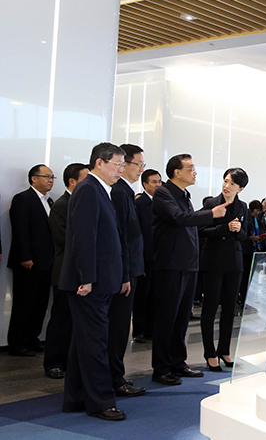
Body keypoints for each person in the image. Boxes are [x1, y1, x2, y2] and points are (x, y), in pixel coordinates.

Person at [59, 142, 127, 421]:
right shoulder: (88, 188)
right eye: (117, 164)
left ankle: (76, 397)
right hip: (90, 283)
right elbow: (83, 237)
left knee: (84, 342)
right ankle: (101, 402)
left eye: (123, 165)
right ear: (100, 162)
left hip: (102, 280)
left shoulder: (101, 190)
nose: (121, 170)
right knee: (96, 343)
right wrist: (86, 278)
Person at [151, 154, 228, 386]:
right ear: (177, 172)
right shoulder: (163, 193)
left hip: (188, 263)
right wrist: (211, 214)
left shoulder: (184, 195)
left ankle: (178, 362)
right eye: (191, 168)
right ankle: (161, 368)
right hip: (171, 264)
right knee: (167, 317)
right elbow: (178, 218)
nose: (195, 172)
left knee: (182, 317)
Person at [199, 168, 249, 371]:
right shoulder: (211, 203)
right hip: (213, 260)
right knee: (210, 308)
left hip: (234, 262)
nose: (227, 186)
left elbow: (245, 236)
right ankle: (210, 353)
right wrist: (224, 228)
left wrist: (239, 231)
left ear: (241, 188)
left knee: (230, 309)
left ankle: (224, 350)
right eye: (225, 181)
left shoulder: (243, 207)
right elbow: (201, 230)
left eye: (232, 183)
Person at [108, 144, 147, 397]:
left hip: (130, 268)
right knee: (118, 327)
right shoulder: (120, 192)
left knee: (121, 326)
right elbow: (121, 236)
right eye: (138, 164)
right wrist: (125, 274)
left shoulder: (125, 191)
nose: (141, 169)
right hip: (124, 271)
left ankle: (116, 376)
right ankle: (115, 378)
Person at [43, 163, 89, 379]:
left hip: (81, 270)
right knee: (61, 319)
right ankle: (53, 362)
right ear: (72, 181)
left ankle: (69, 361)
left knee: (75, 321)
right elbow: (66, 239)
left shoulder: (82, 202)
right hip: (65, 270)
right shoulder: (62, 205)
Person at [7, 164, 57, 357]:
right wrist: (25, 256)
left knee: (40, 304)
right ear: (34, 179)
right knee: (24, 303)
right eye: (47, 177)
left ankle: (32, 338)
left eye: (52, 177)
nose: (50, 180)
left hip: (46, 261)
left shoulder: (49, 201)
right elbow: (20, 230)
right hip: (28, 262)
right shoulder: (23, 199)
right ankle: (18, 343)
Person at [133, 169, 162, 343]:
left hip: (160, 256)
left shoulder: (163, 203)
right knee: (142, 295)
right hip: (145, 256)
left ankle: (152, 329)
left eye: (159, 181)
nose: (158, 185)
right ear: (145, 184)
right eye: (154, 182)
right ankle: (139, 330)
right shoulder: (139, 203)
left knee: (156, 295)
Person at [241, 200, 266, 306]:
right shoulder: (247, 219)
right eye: (257, 210)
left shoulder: (257, 219)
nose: (258, 213)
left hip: (256, 250)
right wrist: (251, 238)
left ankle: (251, 297)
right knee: (245, 276)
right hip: (247, 250)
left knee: (253, 276)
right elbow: (243, 234)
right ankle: (243, 298)